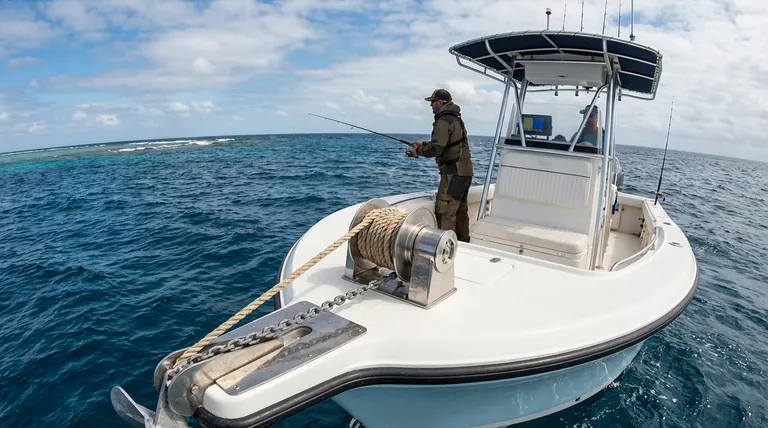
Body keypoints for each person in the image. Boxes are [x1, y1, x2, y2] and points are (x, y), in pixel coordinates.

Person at [409, 89, 474, 242]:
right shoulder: (455, 118)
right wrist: (423, 143)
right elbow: (449, 144)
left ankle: (446, 250)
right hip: (465, 173)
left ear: (440, 102)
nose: (431, 106)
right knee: (460, 212)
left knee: (445, 212)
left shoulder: (442, 120)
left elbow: (437, 148)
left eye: (432, 102)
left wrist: (418, 151)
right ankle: (464, 244)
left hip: (453, 174)